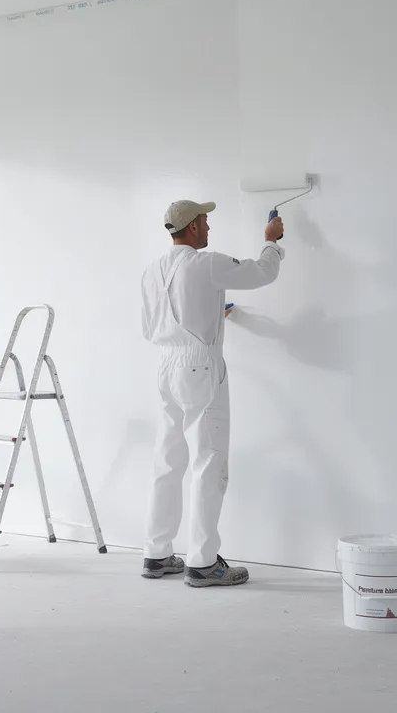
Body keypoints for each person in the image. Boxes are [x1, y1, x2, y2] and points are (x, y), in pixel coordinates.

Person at [138, 199, 285, 586]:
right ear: (191, 227)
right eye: (204, 221)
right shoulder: (206, 263)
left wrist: (208, 315)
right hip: (200, 369)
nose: (208, 227)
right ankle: (203, 563)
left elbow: (156, 324)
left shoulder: (152, 271)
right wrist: (271, 241)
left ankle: (157, 555)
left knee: (168, 461)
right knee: (208, 461)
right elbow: (263, 272)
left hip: (166, 368)